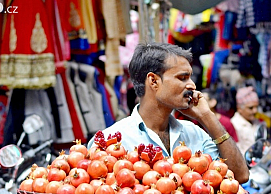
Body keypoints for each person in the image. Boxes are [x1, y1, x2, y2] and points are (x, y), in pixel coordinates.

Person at [90, 43, 249, 183]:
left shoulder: (194, 133)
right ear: (153, 81)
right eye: (183, 78)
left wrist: (207, 116)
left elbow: (240, 176)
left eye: (190, 77)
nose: (192, 85)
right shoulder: (110, 141)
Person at [230, 86, 260, 155]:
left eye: (256, 107)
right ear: (239, 108)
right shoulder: (234, 125)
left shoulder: (256, 122)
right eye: (251, 108)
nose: (255, 111)